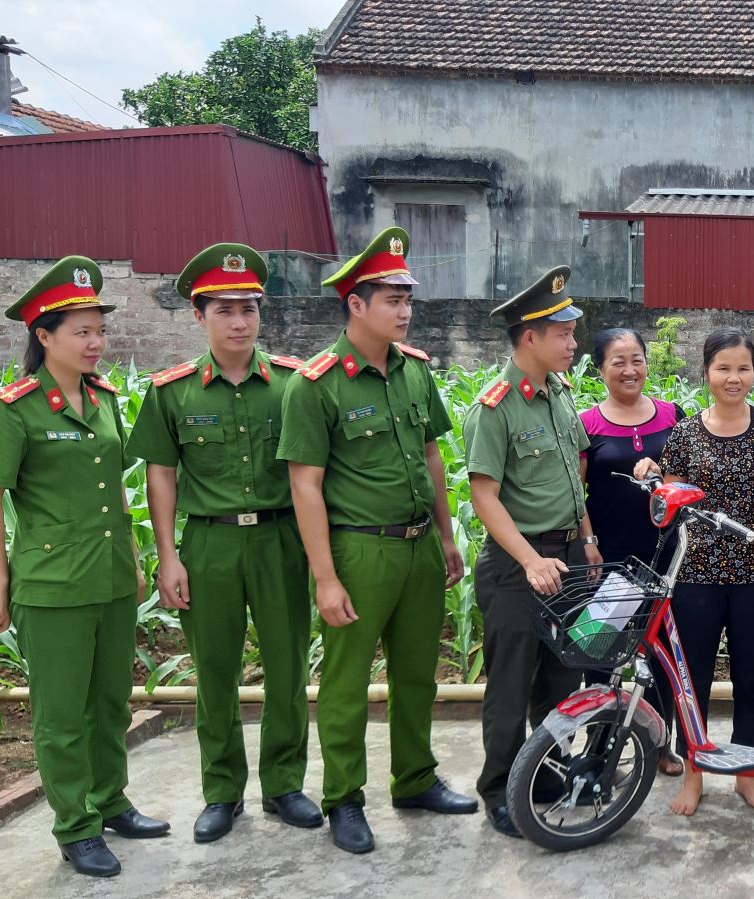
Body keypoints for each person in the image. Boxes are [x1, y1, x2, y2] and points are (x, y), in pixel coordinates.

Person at [0, 256, 169, 878]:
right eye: (80, 331)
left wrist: (133, 561)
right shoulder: (16, 408)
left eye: (98, 330)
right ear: (43, 337)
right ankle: (75, 826)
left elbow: (115, 492)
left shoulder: (105, 399)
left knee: (111, 703)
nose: (95, 343)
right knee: (61, 714)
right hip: (51, 585)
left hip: (109, 578)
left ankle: (110, 801)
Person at [277, 227, 475, 855]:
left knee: (418, 674)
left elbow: (432, 457)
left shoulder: (414, 373)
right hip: (360, 550)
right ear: (355, 304)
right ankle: (344, 798)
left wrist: (447, 537)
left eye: (407, 298)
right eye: (391, 299)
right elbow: (305, 485)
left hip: (419, 547)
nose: (405, 310)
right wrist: (326, 576)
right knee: (345, 682)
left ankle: (415, 779)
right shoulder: (316, 384)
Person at [126, 243, 320, 843]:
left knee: (287, 667)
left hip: (280, 539)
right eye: (224, 311)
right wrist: (167, 555)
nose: (239, 322)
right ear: (198, 315)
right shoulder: (172, 392)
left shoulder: (292, 385)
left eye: (249, 309)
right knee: (214, 672)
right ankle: (221, 792)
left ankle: (285, 785)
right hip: (207, 544)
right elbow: (161, 473)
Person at [635, 327, 754, 817]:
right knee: (694, 679)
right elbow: (669, 507)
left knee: (752, 676)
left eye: (743, 368)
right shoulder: (684, 435)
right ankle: (694, 774)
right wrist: (654, 488)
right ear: (705, 371)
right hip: (697, 575)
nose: (734, 377)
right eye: (723, 368)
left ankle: (746, 774)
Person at [463, 265, 596, 838]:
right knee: (512, 683)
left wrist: (587, 540)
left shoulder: (559, 395)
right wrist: (530, 560)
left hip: (566, 558)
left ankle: (544, 775)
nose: (572, 343)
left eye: (572, 332)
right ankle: (499, 790)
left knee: (562, 683)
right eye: (562, 334)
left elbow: (574, 479)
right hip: (520, 567)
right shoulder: (495, 407)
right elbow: (484, 496)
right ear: (529, 338)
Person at [578, 327, 683, 777]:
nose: (629, 369)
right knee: (601, 651)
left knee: (661, 652)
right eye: (618, 361)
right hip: (612, 558)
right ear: (600, 369)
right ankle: (597, 748)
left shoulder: (671, 415)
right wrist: (588, 543)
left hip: (664, 555)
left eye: (636, 359)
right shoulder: (586, 424)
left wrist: (663, 474)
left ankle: (662, 745)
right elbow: (573, 491)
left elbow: (683, 480)